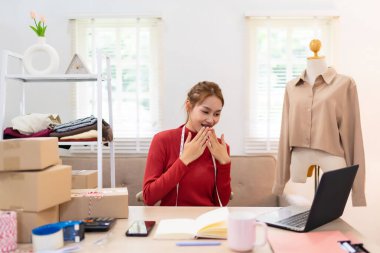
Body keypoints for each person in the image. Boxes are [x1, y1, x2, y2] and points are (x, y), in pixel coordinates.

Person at [273, 39, 366, 206]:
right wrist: (279, 183)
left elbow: (352, 135)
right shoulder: (291, 87)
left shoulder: (345, 84)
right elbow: (285, 133)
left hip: (333, 158)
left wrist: (358, 192)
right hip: (299, 159)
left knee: (329, 210)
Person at [143, 81, 231, 206]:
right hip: (172, 221)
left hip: (206, 222)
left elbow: (221, 203)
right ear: (189, 107)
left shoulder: (221, 148)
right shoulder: (162, 141)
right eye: (205, 112)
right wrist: (184, 160)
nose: (211, 120)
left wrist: (225, 164)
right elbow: (149, 197)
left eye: (217, 114)